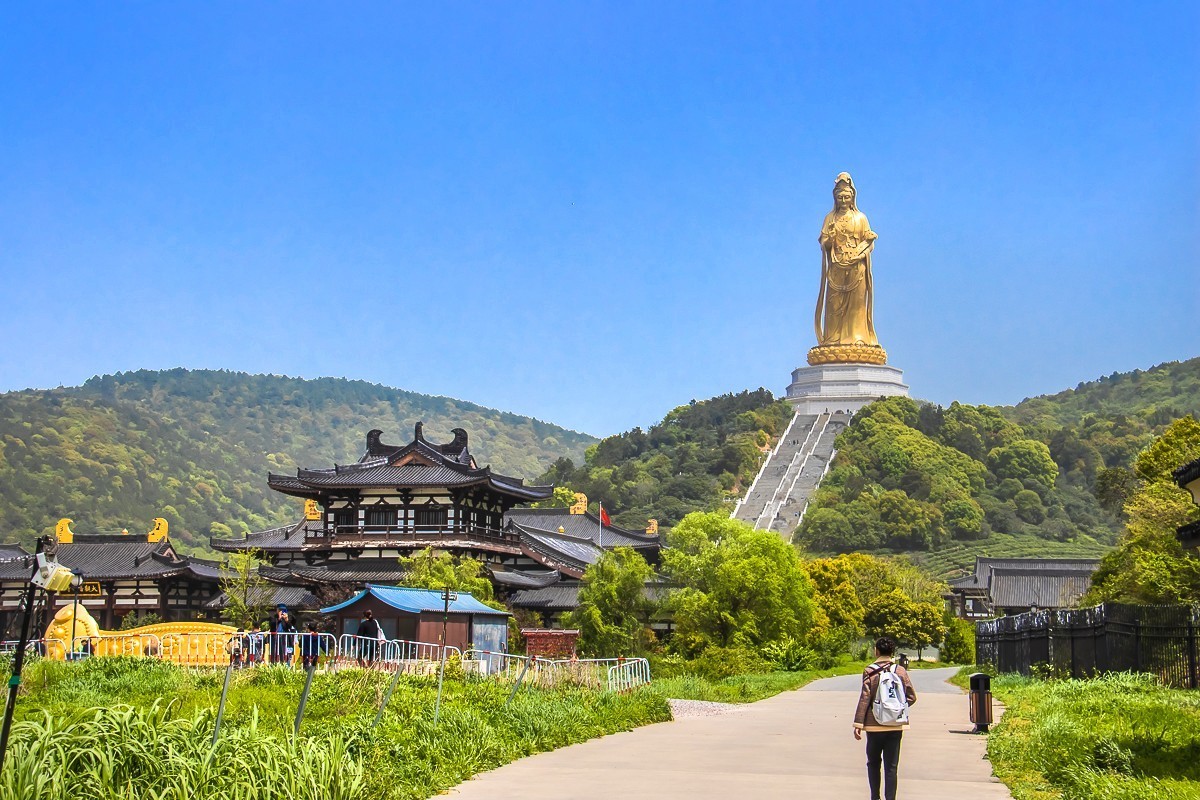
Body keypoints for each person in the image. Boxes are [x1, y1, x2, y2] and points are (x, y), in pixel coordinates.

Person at [815, 172, 879, 349]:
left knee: (856, 306)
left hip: (857, 268)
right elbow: (824, 242)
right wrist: (830, 238)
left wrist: (863, 248)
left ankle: (858, 337)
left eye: (846, 196)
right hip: (836, 267)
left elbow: (868, 240)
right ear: (835, 198)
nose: (843, 200)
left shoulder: (860, 218)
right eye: (840, 197)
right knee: (834, 306)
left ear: (852, 197)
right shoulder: (830, 218)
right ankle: (833, 340)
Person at [854, 636, 918, 800]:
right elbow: (911, 697)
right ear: (892, 651)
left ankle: (875, 797)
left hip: (874, 726)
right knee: (891, 767)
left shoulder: (869, 671)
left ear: (876, 650)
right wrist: (896, 709)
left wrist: (858, 723)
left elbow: (865, 698)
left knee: (873, 763)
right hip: (895, 726)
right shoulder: (900, 671)